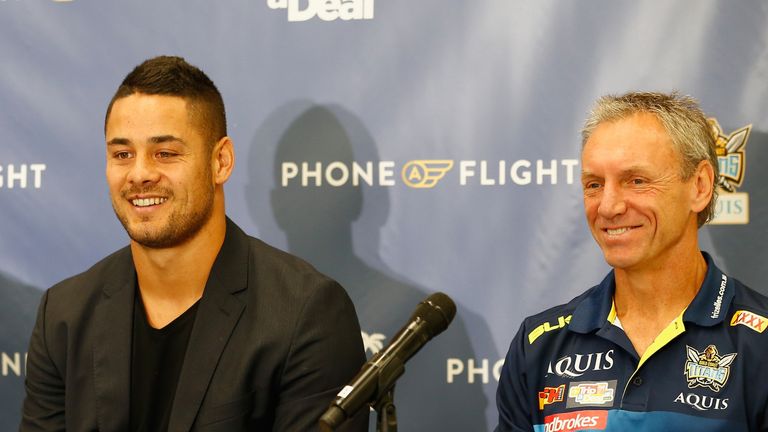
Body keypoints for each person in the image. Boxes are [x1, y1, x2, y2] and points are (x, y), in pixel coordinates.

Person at [20, 56, 367, 431]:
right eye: (122, 154)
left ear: (221, 161)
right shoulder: (64, 315)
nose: (139, 174)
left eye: (165, 153)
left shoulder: (305, 313)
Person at [495, 92, 768, 431]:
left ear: (700, 186)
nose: (608, 207)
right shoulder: (539, 344)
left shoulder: (759, 341)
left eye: (636, 181)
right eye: (594, 184)